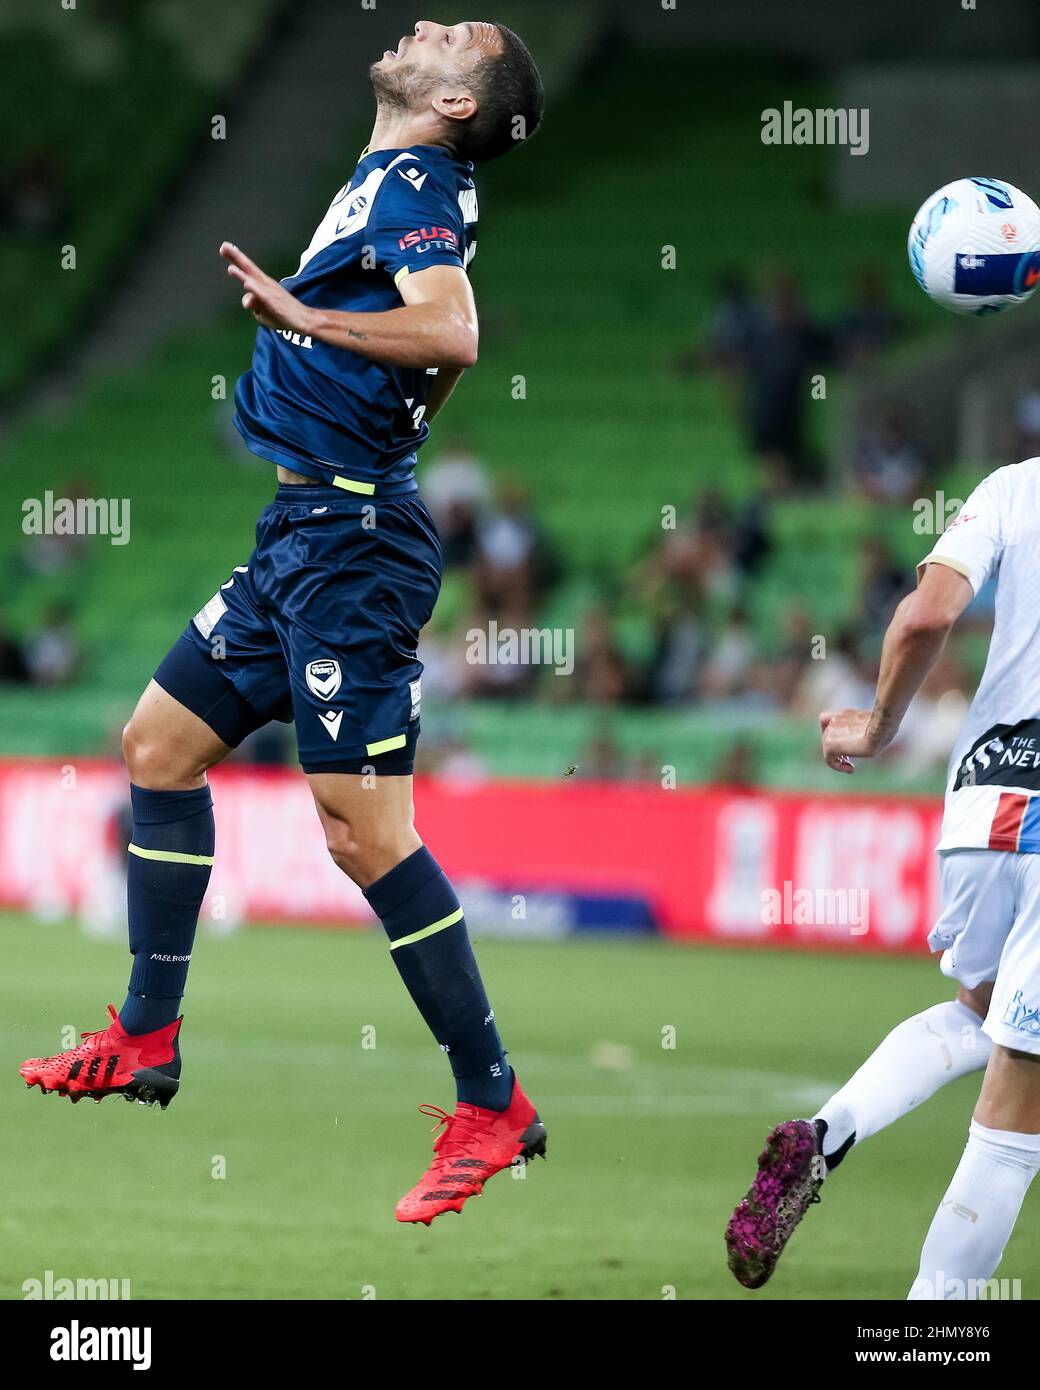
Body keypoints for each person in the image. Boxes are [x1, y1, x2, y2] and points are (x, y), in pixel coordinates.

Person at [20, 19, 547, 1229]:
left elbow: (453, 329)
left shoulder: (418, 180)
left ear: (459, 101)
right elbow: (438, 360)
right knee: (156, 745)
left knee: (363, 836)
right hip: (304, 535)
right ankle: (146, 1036)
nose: (423, 23)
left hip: (351, 552)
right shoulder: (394, 176)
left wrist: (308, 323)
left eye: (452, 34)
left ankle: (493, 1104)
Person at [726, 459, 1040, 1296]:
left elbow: (922, 618)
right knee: (1020, 1100)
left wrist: (879, 726)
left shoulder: (1016, 485)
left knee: (981, 1012)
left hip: (986, 800)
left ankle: (826, 1134)